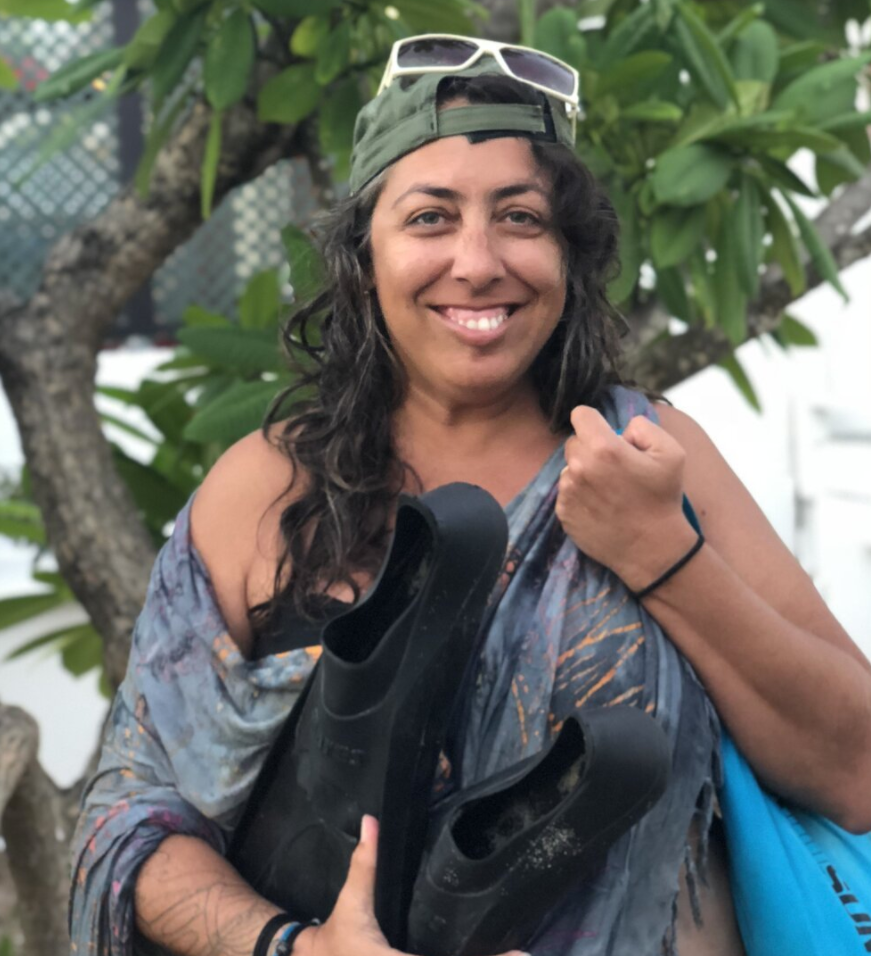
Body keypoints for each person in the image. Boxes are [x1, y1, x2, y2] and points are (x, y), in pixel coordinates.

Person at [70, 35, 871, 956]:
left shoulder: (649, 455)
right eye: (429, 219)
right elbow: (130, 820)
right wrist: (291, 947)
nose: (478, 261)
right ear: (364, 255)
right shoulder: (269, 489)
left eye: (521, 218)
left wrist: (660, 554)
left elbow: (850, 771)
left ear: (569, 253)